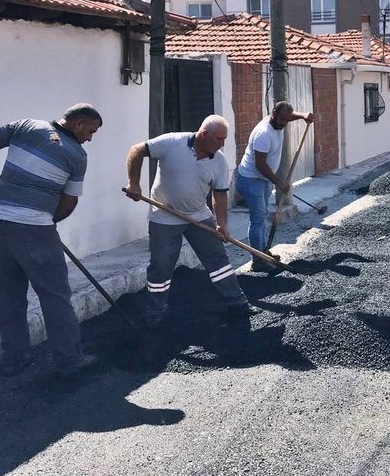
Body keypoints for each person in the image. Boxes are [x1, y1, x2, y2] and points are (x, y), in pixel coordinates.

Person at [0, 104, 102, 376]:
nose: (90, 138)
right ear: (78, 123)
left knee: (7, 294)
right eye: (91, 131)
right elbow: (68, 203)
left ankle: (15, 358)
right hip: (35, 229)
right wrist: (44, 220)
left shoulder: (26, 125)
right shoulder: (77, 155)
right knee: (55, 295)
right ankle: (69, 359)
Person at [124, 115, 259, 326]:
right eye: (219, 139)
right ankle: (155, 313)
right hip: (164, 216)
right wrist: (133, 183)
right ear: (204, 135)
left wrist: (222, 224)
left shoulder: (219, 161)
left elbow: (220, 194)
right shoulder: (171, 143)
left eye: (224, 139)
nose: (222, 143)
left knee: (218, 261)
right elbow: (136, 150)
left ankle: (238, 304)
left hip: (198, 214)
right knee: (161, 266)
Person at [235, 101, 314, 272]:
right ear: (273, 114)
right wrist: (279, 183)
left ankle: (263, 251)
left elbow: (289, 116)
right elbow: (260, 165)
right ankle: (257, 261)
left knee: (262, 215)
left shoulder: (280, 120)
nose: (284, 123)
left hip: (262, 180)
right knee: (257, 219)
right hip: (251, 179)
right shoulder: (264, 134)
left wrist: (303, 116)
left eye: (287, 120)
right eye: (282, 120)